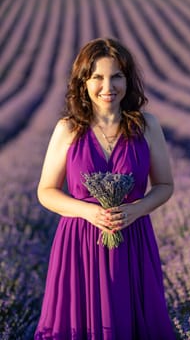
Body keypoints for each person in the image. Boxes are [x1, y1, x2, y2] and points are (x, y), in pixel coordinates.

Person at [34, 37, 176, 339]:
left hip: (133, 240)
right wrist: (88, 211)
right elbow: (46, 191)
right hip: (80, 243)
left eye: (116, 76)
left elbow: (164, 185)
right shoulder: (68, 129)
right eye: (97, 77)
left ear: (128, 80)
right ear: (83, 82)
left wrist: (137, 209)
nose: (108, 86)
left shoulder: (147, 126)